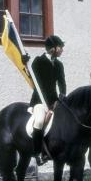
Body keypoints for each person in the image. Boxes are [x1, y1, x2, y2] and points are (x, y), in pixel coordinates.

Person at [28, 35, 66, 166]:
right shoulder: (38, 61)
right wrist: (25, 63)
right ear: (53, 48)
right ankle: (37, 152)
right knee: (39, 121)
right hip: (39, 100)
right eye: (60, 47)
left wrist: (62, 95)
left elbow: (62, 83)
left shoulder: (59, 64)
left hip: (54, 100)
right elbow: (31, 76)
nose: (62, 50)